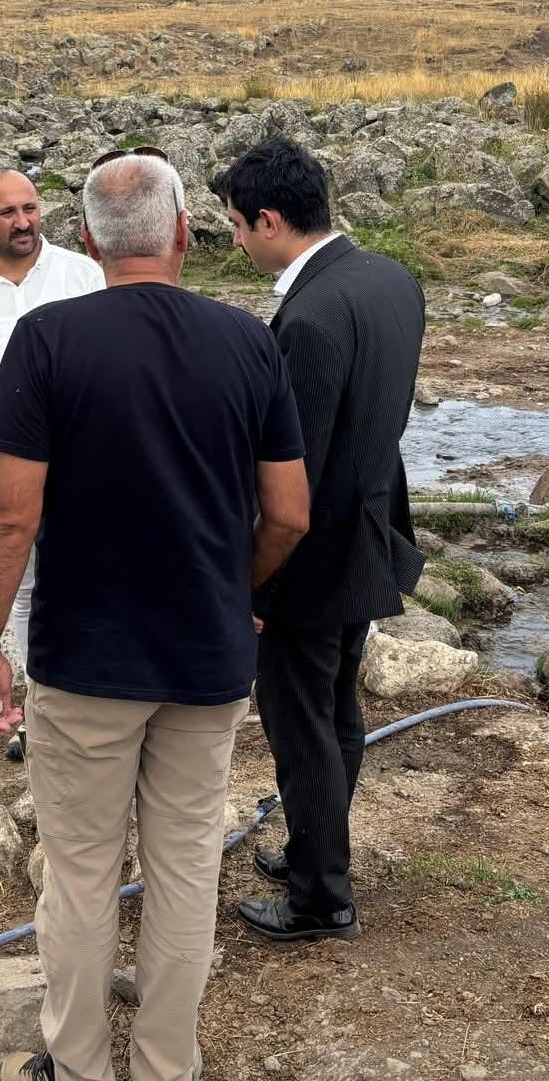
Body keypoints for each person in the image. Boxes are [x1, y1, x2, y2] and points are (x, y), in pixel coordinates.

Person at [0, 151, 311, 1081]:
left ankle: (77, 1065)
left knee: (78, 877)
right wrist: (236, 593)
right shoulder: (249, 343)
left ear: (86, 239)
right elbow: (289, 513)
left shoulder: (46, 340)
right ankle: (167, 1064)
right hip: (207, 657)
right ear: (184, 233)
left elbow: (9, 513)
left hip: (85, 660)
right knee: (188, 868)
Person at [213, 134, 427, 944]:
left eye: (236, 224)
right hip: (370, 529)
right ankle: (316, 848)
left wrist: (256, 587)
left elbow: (287, 481)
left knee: (302, 723)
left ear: (270, 220)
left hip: (310, 557)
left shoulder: (305, 318)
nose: (232, 240)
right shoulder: (389, 279)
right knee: (339, 708)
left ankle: (319, 898)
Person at [0, 167, 105, 759]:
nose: (24, 221)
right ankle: (39, 714)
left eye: (30, 208)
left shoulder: (85, 276)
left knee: (86, 589)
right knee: (25, 595)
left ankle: (95, 707)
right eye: (7, 213)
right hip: (1, 478)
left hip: (84, 475)